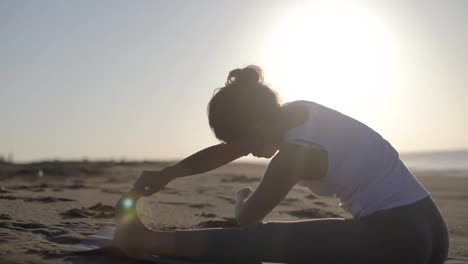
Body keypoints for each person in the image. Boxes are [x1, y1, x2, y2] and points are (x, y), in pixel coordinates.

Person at [113, 65, 449, 264]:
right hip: (433, 230)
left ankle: (145, 241)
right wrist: (168, 174)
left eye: (240, 143)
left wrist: (242, 199)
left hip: (398, 242)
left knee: (263, 239)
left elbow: (247, 220)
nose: (244, 153)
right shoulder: (301, 111)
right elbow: (227, 152)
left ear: (254, 128)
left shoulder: (292, 157)